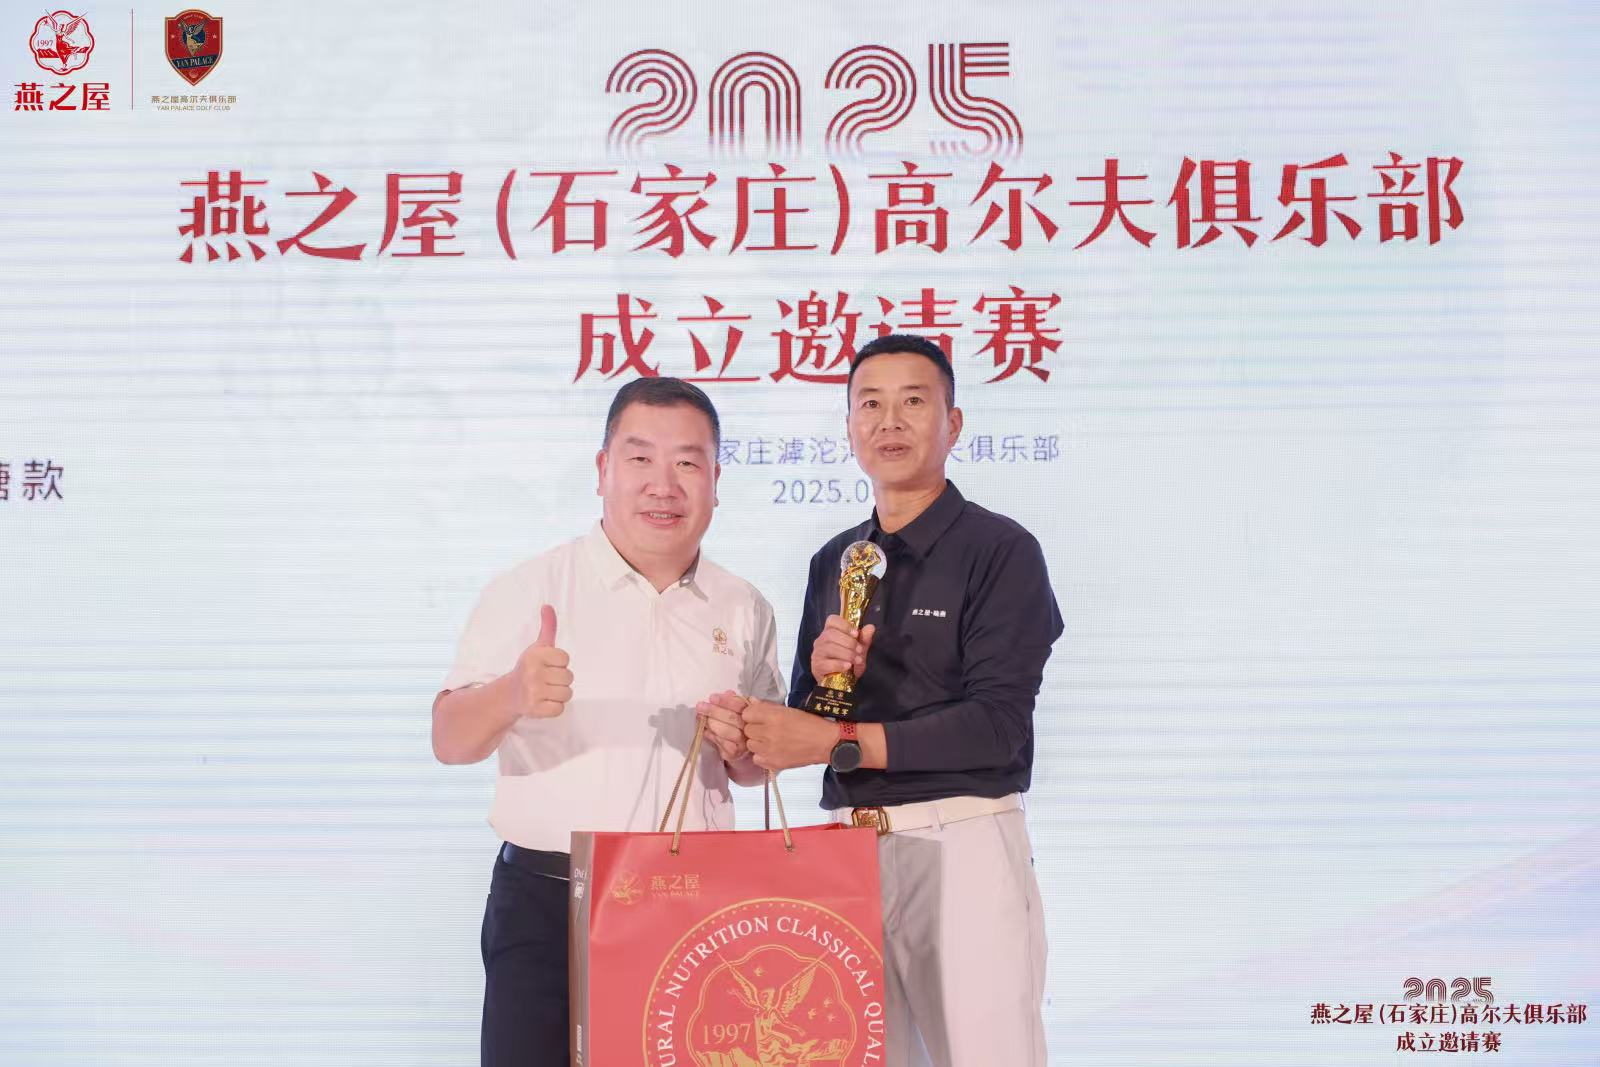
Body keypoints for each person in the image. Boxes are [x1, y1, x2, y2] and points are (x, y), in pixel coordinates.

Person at [707, 335, 1063, 1067]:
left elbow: (997, 726)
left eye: (913, 402)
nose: (889, 421)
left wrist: (835, 741)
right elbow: (811, 721)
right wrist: (817, 686)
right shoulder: (837, 559)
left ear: (953, 424)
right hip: (845, 852)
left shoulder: (1000, 550)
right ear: (848, 428)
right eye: (870, 404)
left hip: (960, 843)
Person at [432, 378, 782, 1067]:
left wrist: (744, 745)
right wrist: (512, 693)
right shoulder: (531, 588)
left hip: (694, 900)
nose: (663, 485)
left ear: (716, 480)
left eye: (687, 463)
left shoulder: (743, 605)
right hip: (551, 902)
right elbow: (449, 739)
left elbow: (753, 768)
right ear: (602, 470)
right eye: (640, 458)